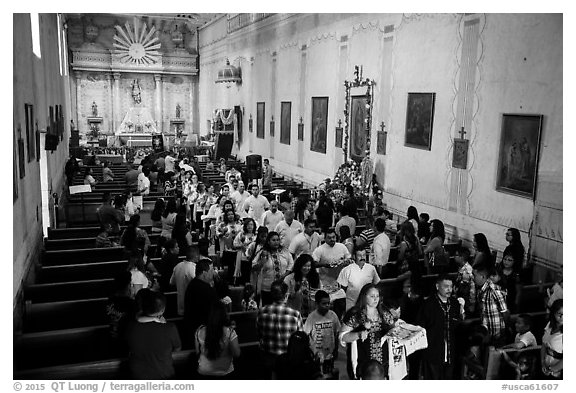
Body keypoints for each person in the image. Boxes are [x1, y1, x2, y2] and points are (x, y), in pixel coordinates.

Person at [339, 283, 392, 380]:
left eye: (377, 296)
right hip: (362, 363)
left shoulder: (384, 313)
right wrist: (358, 335)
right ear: (364, 296)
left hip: (383, 362)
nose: (375, 299)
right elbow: (343, 337)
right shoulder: (355, 314)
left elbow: (393, 328)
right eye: (372, 296)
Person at [125, 289, 181, 379]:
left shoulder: (131, 326)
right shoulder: (169, 328)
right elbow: (177, 348)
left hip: (138, 376)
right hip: (163, 375)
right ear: (162, 310)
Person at [417, 274, 464, 379]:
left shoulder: (455, 303)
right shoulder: (428, 304)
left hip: (451, 351)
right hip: (433, 351)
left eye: (451, 287)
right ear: (437, 286)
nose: (449, 289)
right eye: (446, 286)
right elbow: (421, 327)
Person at [256, 280, 304, 379]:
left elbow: (259, 333)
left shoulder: (261, 312)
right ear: (286, 295)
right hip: (287, 359)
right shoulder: (295, 314)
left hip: (267, 357)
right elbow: (299, 338)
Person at [195, 300, 241, 379]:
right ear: (224, 314)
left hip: (204, 372)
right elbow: (237, 354)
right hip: (225, 373)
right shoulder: (230, 332)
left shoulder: (199, 330)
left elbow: (197, 352)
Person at [312, 228, 351, 318]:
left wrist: (346, 262)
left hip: (338, 282)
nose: (332, 239)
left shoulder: (342, 247)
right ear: (325, 239)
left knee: (341, 304)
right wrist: (325, 265)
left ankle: (337, 321)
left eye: (333, 237)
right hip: (325, 283)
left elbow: (349, 258)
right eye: (329, 238)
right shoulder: (320, 250)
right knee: (325, 308)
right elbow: (313, 263)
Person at [303, 290, 341, 377]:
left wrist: (336, 349)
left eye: (328, 303)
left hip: (329, 354)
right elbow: (307, 334)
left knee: (329, 374)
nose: (327, 305)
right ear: (316, 304)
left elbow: (337, 333)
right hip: (316, 355)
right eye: (324, 303)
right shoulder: (311, 317)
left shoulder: (333, 315)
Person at [252, 232, 294, 306]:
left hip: (282, 286)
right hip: (267, 288)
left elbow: (291, 264)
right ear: (268, 241)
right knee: (268, 309)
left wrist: (284, 275)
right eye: (273, 240)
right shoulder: (262, 253)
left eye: (277, 240)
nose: (276, 242)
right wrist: (261, 262)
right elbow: (253, 267)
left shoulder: (285, 251)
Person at [473, 262, 510, 345]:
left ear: (482, 276)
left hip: (496, 332)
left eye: (475, 275)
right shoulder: (481, 290)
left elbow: (505, 312)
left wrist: (506, 329)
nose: (473, 277)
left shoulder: (494, 291)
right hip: (487, 331)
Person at [184, 260, 217, 347]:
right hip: (203, 333)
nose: (214, 272)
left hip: (193, 329)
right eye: (212, 270)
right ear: (204, 273)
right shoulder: (206, 290)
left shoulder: (192, 284)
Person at [338, 246, 380, 311]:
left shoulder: (371, 268)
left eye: (364, 255)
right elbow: (343, 289)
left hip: (368, 303)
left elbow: (376, 284)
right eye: (359, 256)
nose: (362, 258)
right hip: (352, 303)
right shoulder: (347, 270)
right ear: (354, 256)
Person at [105, 271, 136, 352]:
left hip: (111, 339)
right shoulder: (131, 304)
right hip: (125, 343)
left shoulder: (110, 300)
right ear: (128, 285)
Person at [170, 245, 197, 316]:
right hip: (192, 306)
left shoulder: (178, 266)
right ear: (196, 255)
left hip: (180, 305)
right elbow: (199, 285)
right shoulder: (194, 268)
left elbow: (171, 282)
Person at [541, 299, 563, 379]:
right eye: (559, 314)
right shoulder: (550, 325)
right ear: (554, 313)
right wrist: (543, 362)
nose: (562, 317)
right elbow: (544, 345)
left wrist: (552, 369)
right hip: (546, 367)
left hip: (558, 373)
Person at [232, 217, 258, 285]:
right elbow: (234, 244)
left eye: (251, 224)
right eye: (248, 224)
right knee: (244, 275)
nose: (250, 226)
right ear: (245, 226)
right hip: (242, 257)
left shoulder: (256, 236)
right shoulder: (241, 234)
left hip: (253, 258)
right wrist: (241, 246)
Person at [454, 246, 476, 315]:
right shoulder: (461, 267)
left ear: (462, 257)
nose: (454, 257)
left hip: (466, 300)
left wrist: (472, 303)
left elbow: (472, 288)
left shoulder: (467, 271)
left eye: (456, 255)